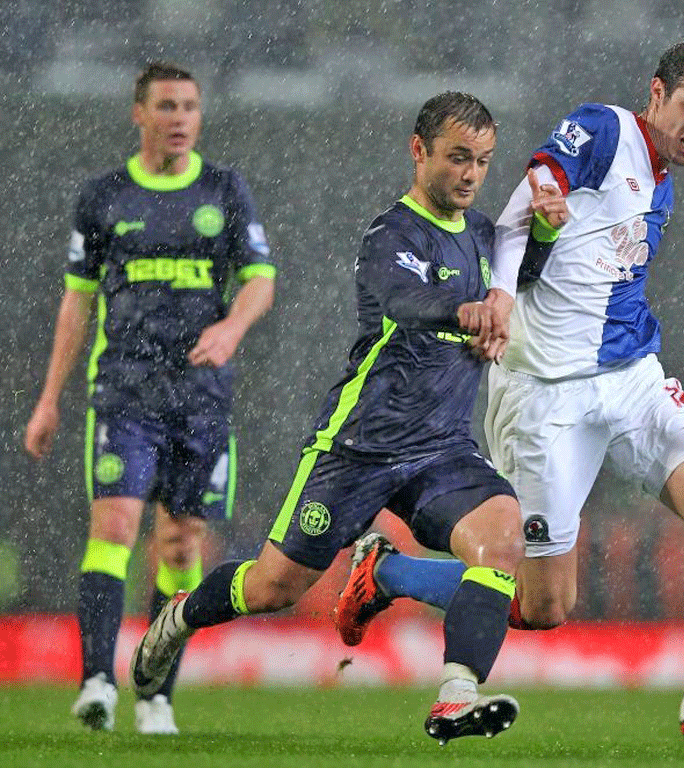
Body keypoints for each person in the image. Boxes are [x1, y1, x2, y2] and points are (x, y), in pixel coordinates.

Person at [335, 39, 684, 756]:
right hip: (545, 398)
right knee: (544, 607)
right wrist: (509, 278)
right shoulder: (604, 128)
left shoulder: (663, 180)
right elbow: (535, 190)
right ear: (656, 93)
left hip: (632, 378)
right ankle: (384, 572)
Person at [130, 92, 526, 745]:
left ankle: (456, 695)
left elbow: (538, 267)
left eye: (483, 162)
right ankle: (181, 614)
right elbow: (403, 301)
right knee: (270, 588)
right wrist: (465, 313)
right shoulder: (390, 234)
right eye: (458, 157)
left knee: (501, 540)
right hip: (359, 448)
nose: (471, 174)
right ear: (419, 149)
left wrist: (553, 228)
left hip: (442, 450)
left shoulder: (487, 238)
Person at [24, 61, 276, 735]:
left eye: (190, 106)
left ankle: (156, 690)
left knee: (180, 541)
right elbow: (77, 305)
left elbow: (259, 280)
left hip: (200, 397)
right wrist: (50, 398)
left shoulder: (225, 189)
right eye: (166, 106)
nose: (180, 118)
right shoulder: (104, 196)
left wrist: (231, 326)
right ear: (140, 114)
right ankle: (98, 681)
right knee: (112, 527)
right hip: (125, 391)